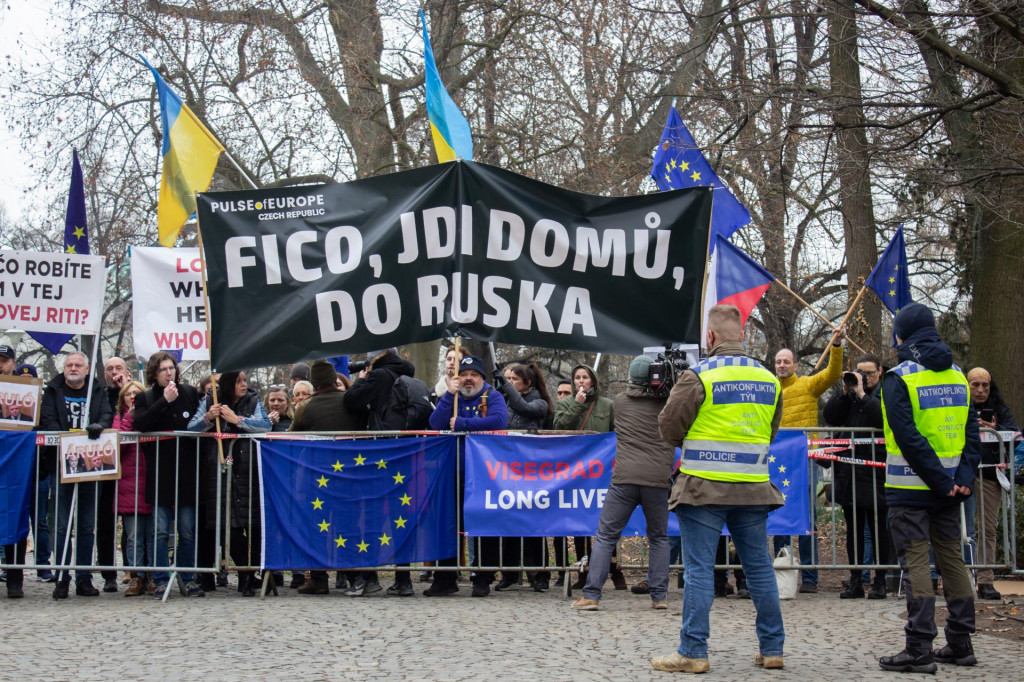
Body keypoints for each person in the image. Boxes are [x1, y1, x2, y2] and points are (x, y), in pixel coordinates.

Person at [652, 304, 785, 673]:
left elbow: (668, 426)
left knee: (698, 570)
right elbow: (770, 431)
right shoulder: (769, 378)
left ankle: (693, 652)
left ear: (709, 337)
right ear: (743, 335)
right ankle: (773, 649)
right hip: (753, 488)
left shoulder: (699, 375)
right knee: (759, 568)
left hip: (703, 489)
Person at [877, 303, 981, 673]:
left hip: (912, 489)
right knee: (952, 560)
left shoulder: (899, 377)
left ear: (901, 336)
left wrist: (940, 481)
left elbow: (907, 436)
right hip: (953, 488)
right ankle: (960, 643)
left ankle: (919, 648)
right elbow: (971, 434)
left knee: (917, 563)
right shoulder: (957, 375)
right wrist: (962, 480)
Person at [572, 354, 675, 612]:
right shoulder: (668, 402)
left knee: (606, 536)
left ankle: (592, 595)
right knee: (660, 537)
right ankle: (659, 596)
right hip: (657, 480)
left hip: (625, 478)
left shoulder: (621, 402)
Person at [425, 355, 508, 597]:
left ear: (482, 378)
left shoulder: (492, 397)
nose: (468, 378)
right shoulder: (453, 397)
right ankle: (445, 578)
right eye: (465, 374)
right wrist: (449, 395)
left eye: (474, 374)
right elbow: (436, 423)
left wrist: (463, 423)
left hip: (483, 473)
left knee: (482, 524)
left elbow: (499, 421)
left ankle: (482, 577)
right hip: (452, 471)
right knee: (449, 525)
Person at [772, 325, 846, 593]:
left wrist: (836, 346)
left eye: (786, 362)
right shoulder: (769, 389)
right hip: (777, 464)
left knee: (806, 518)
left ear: (795, 365)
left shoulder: (808, 385)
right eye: (778, 362)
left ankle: (811, 578)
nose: (782, 365)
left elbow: (833, 373)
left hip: (804, 462)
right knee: (779, 516)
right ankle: (783, 571)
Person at [343, 347, 419, 597]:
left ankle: (369, 576)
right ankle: (403, 579)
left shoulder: (380, 375)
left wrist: (362, 379)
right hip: (403, 455)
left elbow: (351, 400)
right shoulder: (408, 375)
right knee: (400, 517)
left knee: (373, 515)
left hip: (380, 455)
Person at [39, 351, 114, 600]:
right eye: (69, 364)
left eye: (77, 364)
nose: (73, 368)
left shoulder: (96, 390)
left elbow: (106, 414)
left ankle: (84, 578)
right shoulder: (52, 390)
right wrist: (68, 440)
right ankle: (61, 577)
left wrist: (99, 426)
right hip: (62, 465)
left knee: (86, 525)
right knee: (61, 526)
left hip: (90, 465)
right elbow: (47, 420)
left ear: (86, 368)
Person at [189, 371, 272, 597]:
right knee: (227, 524)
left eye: (245, 381)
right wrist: (208, 417)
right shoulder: (210, 400)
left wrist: (238, 420)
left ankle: (250, 573)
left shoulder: (253, 401)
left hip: (248, 471)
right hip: (219, 470)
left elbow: (266, 426)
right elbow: (190, 428)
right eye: (238, 381)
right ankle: (245, 573)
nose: (244, 385)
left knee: (251, 524)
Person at [131, 352, 203, 599]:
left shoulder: (190, 393)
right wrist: (163, 401)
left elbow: (198, 423)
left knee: (187, 529)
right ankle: (160, 578)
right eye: (163, 369)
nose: (169, 372)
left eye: (171, 368)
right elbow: (140, 423)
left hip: (186, 472)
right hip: (160, 472)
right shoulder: (145, 397)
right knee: (160, 530)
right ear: (154, 372)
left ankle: (187, 577)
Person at [290, 360, 365, 594]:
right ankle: (355, 578)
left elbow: (292, 437)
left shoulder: (306, 407)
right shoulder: (351, 403)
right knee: (348, 527)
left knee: (318, 527)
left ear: (314, 384)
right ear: (335, 380)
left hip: (318, 478)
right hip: (349, 477)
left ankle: (319, 579)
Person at [823, 353, 893, 599]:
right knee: (853, 530)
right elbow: (830, 416)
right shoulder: (849, 396)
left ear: (880, 372)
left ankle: (881, 580)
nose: (863, 377)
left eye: (869, 373)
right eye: (860, 372)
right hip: (849, 473)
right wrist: (844, 392)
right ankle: (855, 580)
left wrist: (863, 394)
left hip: (876, 472)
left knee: (878, 531)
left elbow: (882, 419)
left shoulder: (885, 394)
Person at [552, 364, 624, 590]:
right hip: (575, 472)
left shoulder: (608, 405)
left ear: (593, 380)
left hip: (602, 472)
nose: (581, 381)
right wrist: (577, 405)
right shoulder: (565, 403)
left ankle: (614, 570)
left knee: (607, 522)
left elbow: (616, 434)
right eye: (577, 378)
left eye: (585, 377)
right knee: (581, 523)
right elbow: (559, 427)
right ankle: (583, 572)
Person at [493, 362, 554, 592]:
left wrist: (504, 387)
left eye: (513, 380)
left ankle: (540, 575)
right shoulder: (506, 398)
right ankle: (508, 573)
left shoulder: (539, 402)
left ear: (527, 383)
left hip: (532, 471)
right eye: (506, 379)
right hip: (507, 471)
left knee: (534, 524)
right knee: (509, 523)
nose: (508, 383)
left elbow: (523, 408)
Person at [965, 367, 1017, 601]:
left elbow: (1014, 436)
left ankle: (985, 581)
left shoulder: (999, 407)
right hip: (961, 474)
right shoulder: (959, 406)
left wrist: (996, 430)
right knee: (955, 528)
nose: (980, 390)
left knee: (987, 529)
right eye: (975, 385)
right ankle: (954, 578)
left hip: (989, 476)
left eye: (984, 385)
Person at [112, 381, 153, 597]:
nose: (133, 397)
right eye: (129, 394)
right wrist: (129, 418)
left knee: (153, 534)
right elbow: (119, 446)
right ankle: (136, 576)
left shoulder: (150, 415)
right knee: (133, 536)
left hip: (150, 482)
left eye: (137, 393)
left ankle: (153, 575)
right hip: (129, 485)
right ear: (123, 399)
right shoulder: (119, 419)